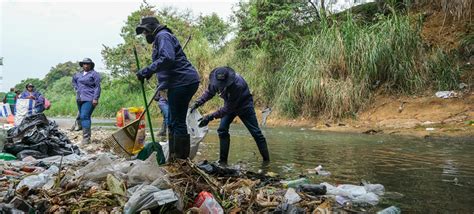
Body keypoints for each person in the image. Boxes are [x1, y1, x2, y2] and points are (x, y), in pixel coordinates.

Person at [135, 16, 200, 159]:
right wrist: (153, 74)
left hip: (182, 82)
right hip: (179, 82)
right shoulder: (161, 37)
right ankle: (173, 156)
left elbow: (167, 58)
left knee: (177, 122)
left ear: (151, 28)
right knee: (172, 121)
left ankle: (180, 161)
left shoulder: (162, 36)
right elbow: (165, 62)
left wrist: (147, 70)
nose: (145, 35)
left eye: (145, 32)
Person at [190, 66, 270, 165]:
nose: (220, 86)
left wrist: (209, 117)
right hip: (229, 104)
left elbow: (228, 109)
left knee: (256, 133)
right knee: (222, 130)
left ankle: (267, 162)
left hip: (244, 107)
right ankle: (223, 161)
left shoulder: (237, 85)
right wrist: (198, 102)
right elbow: (209, 92)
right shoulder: (216, 80)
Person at [72, 58, 101, 144]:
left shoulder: (94, 74)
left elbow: (97, 87)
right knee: (81, 117)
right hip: (79, 98)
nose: (86, 65)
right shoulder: (78, 74)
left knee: (85, 116)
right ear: (82, 65)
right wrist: (76, 88)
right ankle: (83, 133)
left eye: (88, 64)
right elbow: (74, 81)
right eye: (84, 64)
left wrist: (95, 98)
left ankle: (86, 138)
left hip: (89, 98)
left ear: (91, 65)